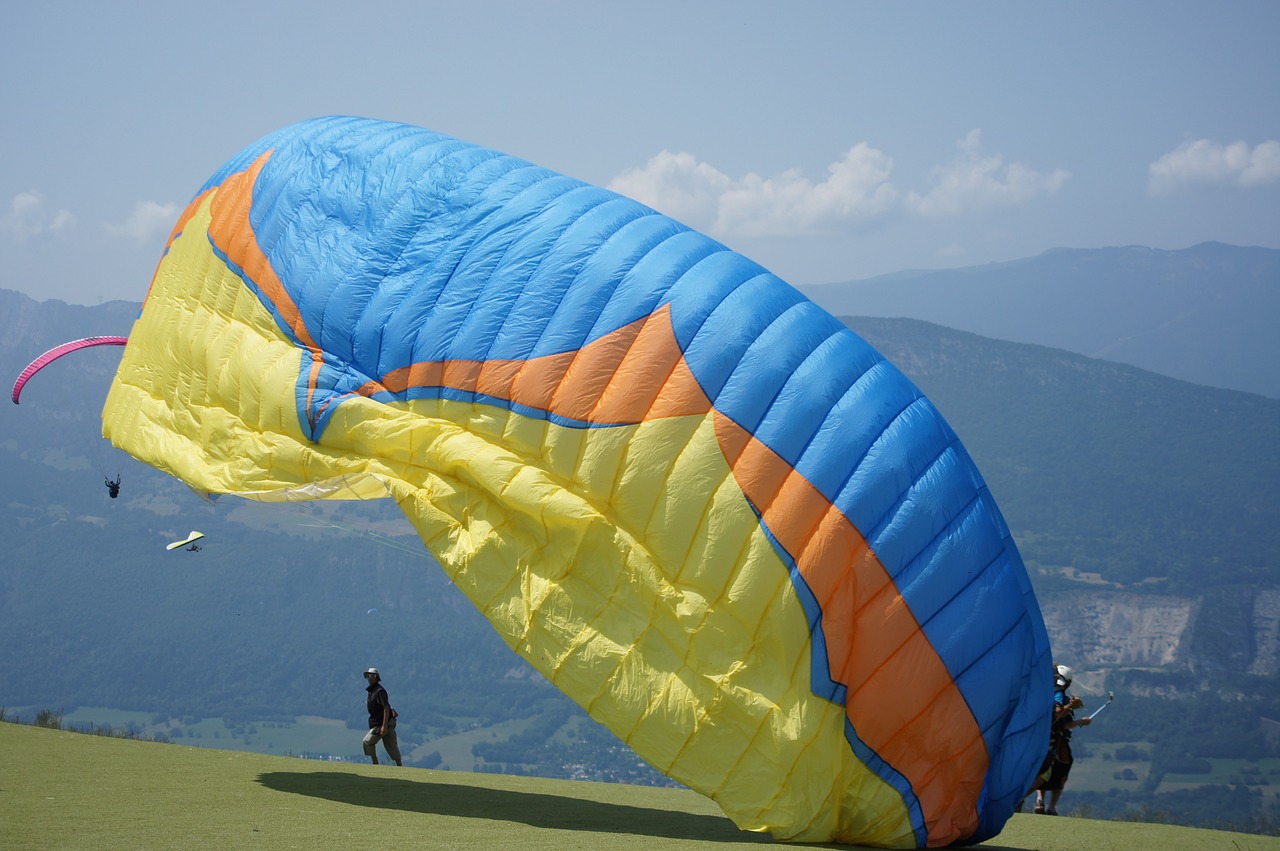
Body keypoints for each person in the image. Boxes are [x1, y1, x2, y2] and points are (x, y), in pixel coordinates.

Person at [1032, 664, 1092, 815]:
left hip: (1044, 738)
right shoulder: (1059, 696)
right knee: (1051, 770)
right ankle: (1048, 806)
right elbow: (1058, 717)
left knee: (1043, 769)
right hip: (1052, 740)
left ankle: (1040, 801)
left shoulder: (1045, 693)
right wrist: (1071, 707)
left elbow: (1062, 722)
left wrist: (1079, 720)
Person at [362, 667, 402, 766]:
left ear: (377, 677)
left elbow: (386, 707)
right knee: (391, 745)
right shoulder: (372, 691)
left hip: (382, 723)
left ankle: (375, 763)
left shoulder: (379, 691)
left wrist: (384, 726)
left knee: (367, 741)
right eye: (368, 676)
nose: (370, 678)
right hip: (386, 722)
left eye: (372, 676)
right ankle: (399, 765)